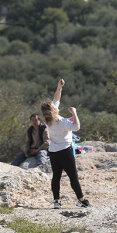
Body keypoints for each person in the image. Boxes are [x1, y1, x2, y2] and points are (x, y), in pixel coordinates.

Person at [41, 78, 90, 209]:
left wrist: (59, 87)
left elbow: (56, 99)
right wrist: (74, 112)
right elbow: (77, 127)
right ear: (53, 110)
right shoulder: (62, 121)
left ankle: (56, 202)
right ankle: (81, 200)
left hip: (53, 152)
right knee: (73, 177)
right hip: (65, 151)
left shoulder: (48, 119)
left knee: (56, 177)